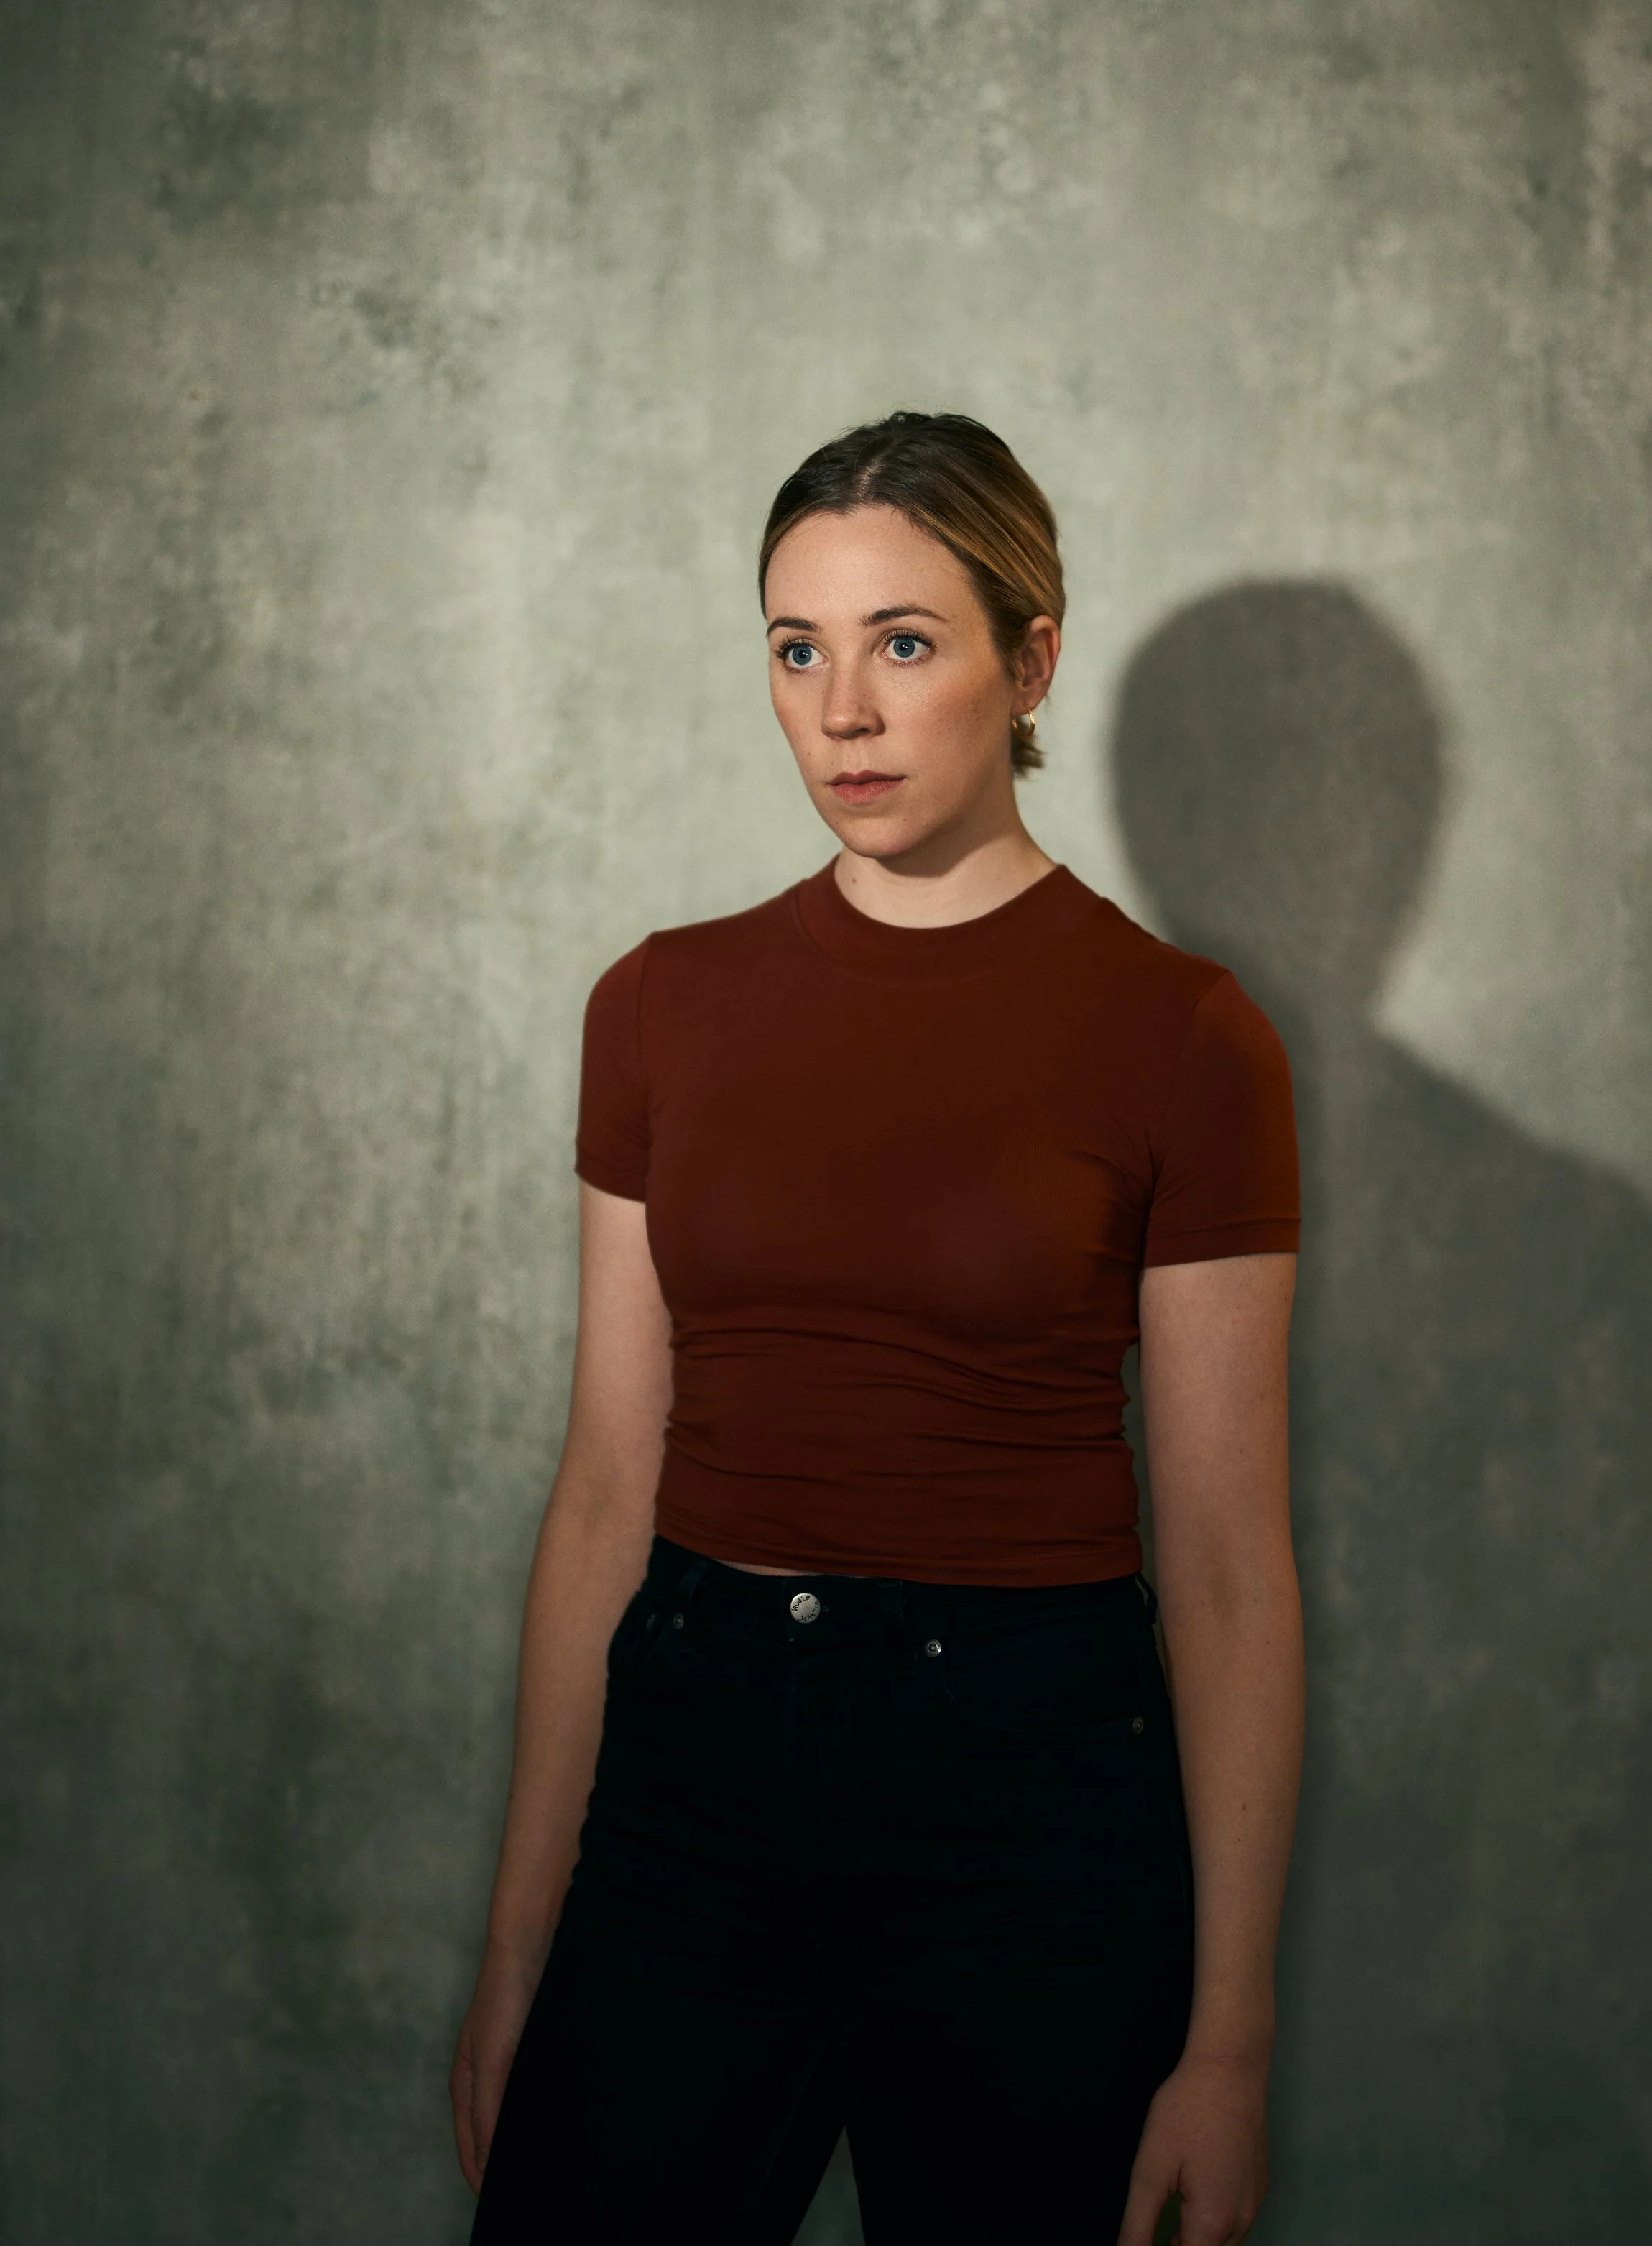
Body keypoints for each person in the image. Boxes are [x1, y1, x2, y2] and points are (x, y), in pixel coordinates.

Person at [450, 412, 1306, 2246]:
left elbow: (1230, 1560)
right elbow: (603, 1487)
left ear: (1030, 662)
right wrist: (519, 1945)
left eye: (902, 642)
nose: (841, 709)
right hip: (690, 1775)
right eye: (796, 648)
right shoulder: (658, 1006)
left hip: (1030, 1799)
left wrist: (1227, 2037)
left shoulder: (1185, 1036)